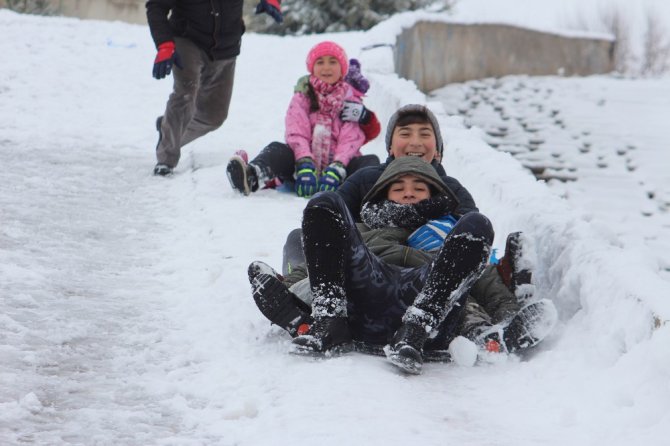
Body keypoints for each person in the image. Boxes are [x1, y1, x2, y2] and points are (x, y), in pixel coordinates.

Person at [248, 157, 557, 371]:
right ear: (382, 197)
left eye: (419, 188)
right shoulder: (366, 230)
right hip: (367, 291)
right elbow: (322, 262)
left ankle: (474, 336)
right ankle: (327, 320)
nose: (408, 191)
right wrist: (286, 288)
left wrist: (507, 313)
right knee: (324, 204)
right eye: (398, 188)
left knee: (478, 226)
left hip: (427, 309)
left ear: (435, 196)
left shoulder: (448, 233)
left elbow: (485, 278)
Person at [226, 41, 381, 197]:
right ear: (311, 67)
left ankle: (368, 196)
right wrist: (304, 163)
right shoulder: (303, 96)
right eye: (320, 62)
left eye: (333, 62)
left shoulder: (351, 101)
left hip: (340, 175)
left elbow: (351, 139)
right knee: (277, 150)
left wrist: (337, 168)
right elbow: (296, 130)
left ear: (342, 69)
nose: (326, 67)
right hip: (300, 172)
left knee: (370, 161)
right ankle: (252, 175)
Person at [146, 0, 282, 176]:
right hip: (187, 39)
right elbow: (156, 6)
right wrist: (164, 45)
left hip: (226, 46)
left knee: (213, 116)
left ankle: (169, 129)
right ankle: (166, 159)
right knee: (185, 93)